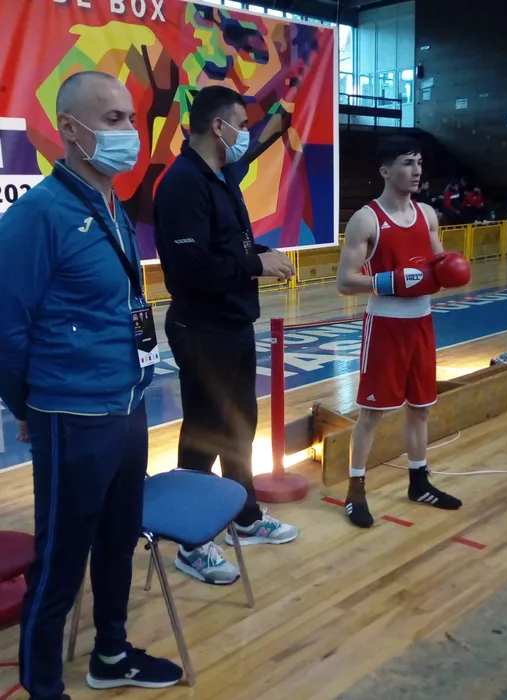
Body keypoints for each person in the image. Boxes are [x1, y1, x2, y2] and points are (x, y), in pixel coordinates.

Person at [0, 71, 182, 700]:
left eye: (130, 118)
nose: (130, 131)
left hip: (128, 404)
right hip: (72, 415)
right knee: (60, 559)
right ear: (70, 130)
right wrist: (27, 407)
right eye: (112, 120)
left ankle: (110, 652)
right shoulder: (37, 217)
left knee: (117, 539)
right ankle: (43, 685)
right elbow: (7, 333)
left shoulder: (110, 205)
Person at [153, 85, 299, 586]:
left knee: (239, 426)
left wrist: (261, 253)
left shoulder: (219, 176)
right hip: (201, 328)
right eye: (242, 124)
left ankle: (245, 515)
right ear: (219, 126)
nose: (246, 134)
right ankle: (190, 542)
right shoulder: (182, 185)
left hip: (233, 323)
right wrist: (255, 265)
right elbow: (189, 270)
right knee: (204, 432)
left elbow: (229, 245)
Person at [336, 135, 464, 529]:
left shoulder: (427, 214)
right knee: (372, 412)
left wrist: (449, 269)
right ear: (385, 170)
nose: (417, 170)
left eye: (419, 163)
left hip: (421, 323)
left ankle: (419, 482)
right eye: (408, 163)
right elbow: (344, 281)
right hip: (385, 325)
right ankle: (355, 490)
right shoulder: (367, 219)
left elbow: (437, 264)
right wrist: (389, 281)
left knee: (421, 407)